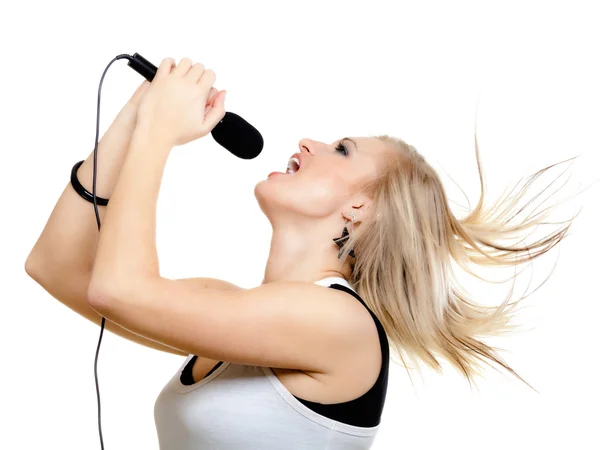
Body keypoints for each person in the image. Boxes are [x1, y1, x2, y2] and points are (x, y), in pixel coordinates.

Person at [25, 58, 575, 449]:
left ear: (360, 209)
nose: (310, 142)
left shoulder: (339, 320)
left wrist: (159, 134)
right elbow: (54, 267)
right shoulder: (236, 312)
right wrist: (135, 118)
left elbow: (119, 289)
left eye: (341, 150)